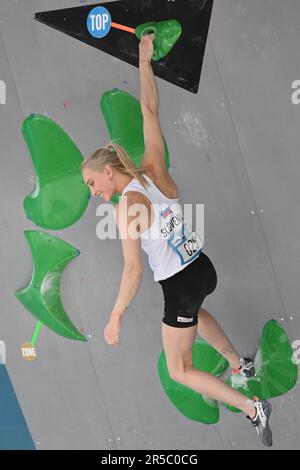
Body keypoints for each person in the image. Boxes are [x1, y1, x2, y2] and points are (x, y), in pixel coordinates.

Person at [82, 34, 273, 447]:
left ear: (108, 171)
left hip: (181, 284)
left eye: (92, 182)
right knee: (195, 316)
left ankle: (251, 408)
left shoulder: (126, 206)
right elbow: (150, 109)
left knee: (179, 369)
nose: (92, 190)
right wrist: (144, 60)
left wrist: (116, 316)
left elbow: (134, 271)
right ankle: (237, 362)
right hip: (202, 269)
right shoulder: (153, 169)